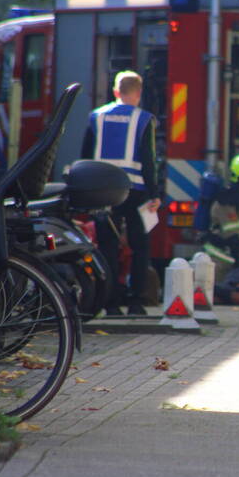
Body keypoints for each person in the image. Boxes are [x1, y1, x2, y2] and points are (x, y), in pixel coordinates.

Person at [81, 70, 160, 317]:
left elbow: (85, 155)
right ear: (138, 93)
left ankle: (110, 303)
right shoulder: (144, 119)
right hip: (135, 191)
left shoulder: (97, 117)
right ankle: (136, 303)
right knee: (139, 247)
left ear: (116, 92)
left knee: (107, 247)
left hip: (103, 191)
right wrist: (154, 192)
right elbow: (149, 160)